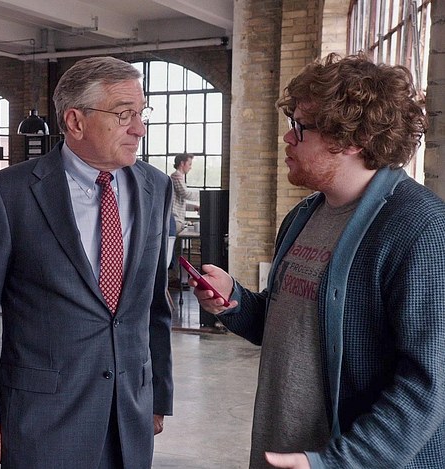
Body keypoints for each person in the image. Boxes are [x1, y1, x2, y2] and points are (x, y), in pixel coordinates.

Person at [191, 53, 445, 468]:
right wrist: (233, 300)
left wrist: (334, 462)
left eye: (300, 127)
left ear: (351, 139)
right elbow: (288, 327)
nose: (288, 137)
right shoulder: (304, 216)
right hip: (284, 450)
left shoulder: (421, 229)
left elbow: (427, 386)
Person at [0, 56, 174, 467]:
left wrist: (158, 393)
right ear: (75, 121)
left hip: (130, 412)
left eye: (142, 114)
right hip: (43, 418)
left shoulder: (155, 187)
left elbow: (154, 305)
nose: (139, 128)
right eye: (124, 114)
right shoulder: (9, 193)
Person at [170, 152, 197, 233]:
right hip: (175, 220)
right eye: (189, 164)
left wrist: (195, 207)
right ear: (182, 163)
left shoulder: (179, 177)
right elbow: (186, 194)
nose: (190, 167)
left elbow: (180, 203)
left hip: (178, 220)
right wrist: (204, 195)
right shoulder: (176, 176)